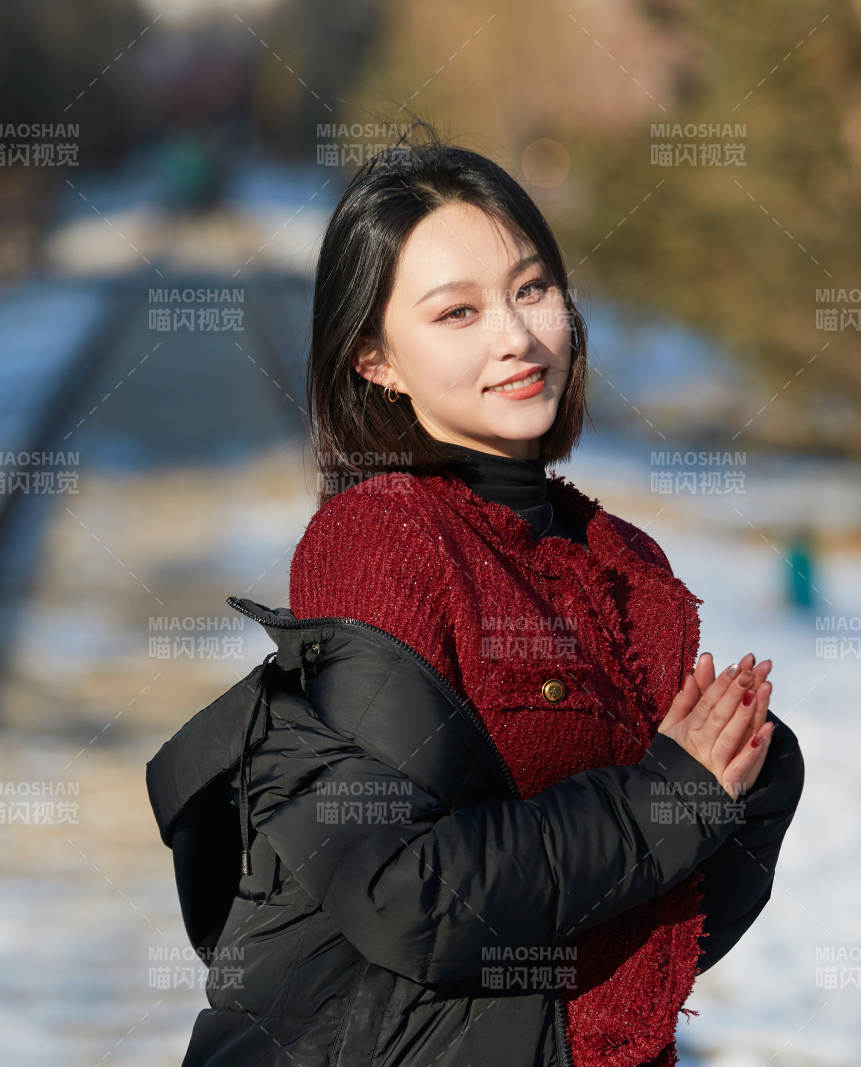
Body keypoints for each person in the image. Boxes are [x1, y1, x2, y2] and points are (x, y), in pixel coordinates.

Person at [168, 125, 804, 1067]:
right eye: (456, 313)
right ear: (374, 360)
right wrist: (677, 797)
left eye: (531, 287)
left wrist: (756, 776)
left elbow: (662, 923)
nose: (516, 336)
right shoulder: (380, 540)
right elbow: (407, 889)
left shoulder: (627, 563)